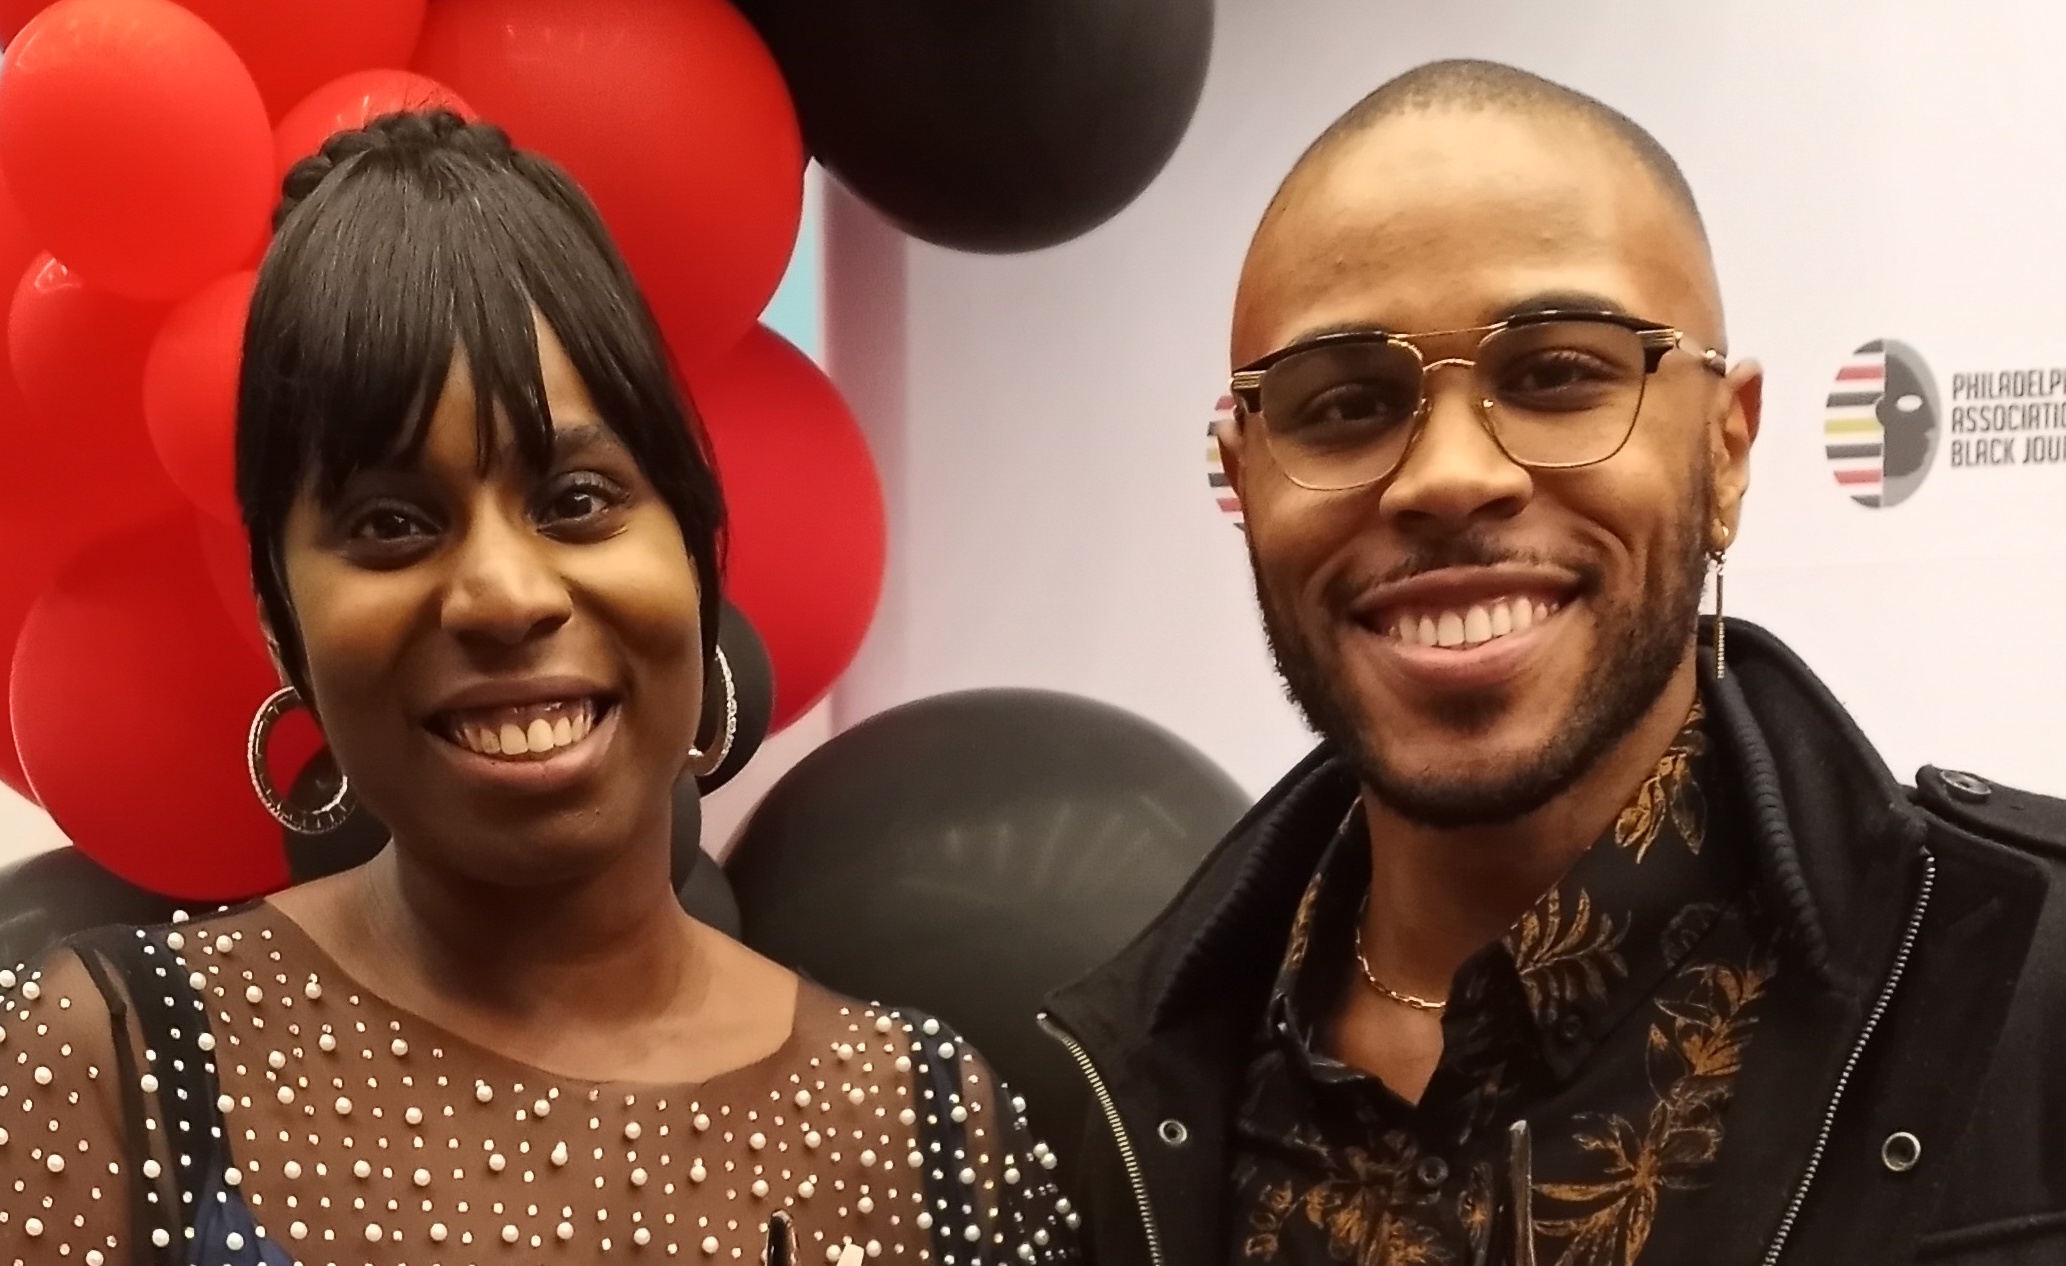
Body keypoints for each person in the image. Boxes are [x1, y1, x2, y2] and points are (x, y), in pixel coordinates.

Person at [0, 110, 1075, 1266]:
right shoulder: (112, 1071)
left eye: (575, 500)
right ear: (280, 627)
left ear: (700, 556)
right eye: (392, 524)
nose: (504, 596)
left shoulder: (928, 1133)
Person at [1040, 59, 2066, 1266]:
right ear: (1243, 471)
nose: (1446, 476)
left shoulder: (2026, 990)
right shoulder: (1102, 1103)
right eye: (1342, 404)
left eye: (1558, 376)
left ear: (1725, 449)